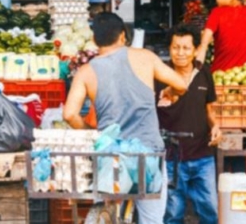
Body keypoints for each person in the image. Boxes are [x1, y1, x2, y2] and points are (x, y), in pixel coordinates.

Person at [63, 12, 189, 224]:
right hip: (147, 155)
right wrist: (170, 92)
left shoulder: (85, 72)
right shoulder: (144, 57)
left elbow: (69, 114)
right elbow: (182, 84)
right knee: (152, 219)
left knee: (107, 204)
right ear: (123, 36)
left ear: (94, 40)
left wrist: (91, 133)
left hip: (110, 157)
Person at [156, 24, 221, 224]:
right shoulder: (160, 75)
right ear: (169, 49)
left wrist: (216, 126)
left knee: (210, 211)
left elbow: (209, 109)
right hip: (172, 157)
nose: (180, 53)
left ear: (194, 51)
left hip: (203, 156)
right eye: (176, 47)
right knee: (173, 213)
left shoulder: (204, 74)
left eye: (186, 48)